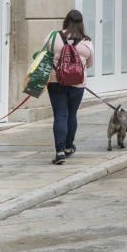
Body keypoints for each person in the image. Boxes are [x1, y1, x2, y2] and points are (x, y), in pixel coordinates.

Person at [48, 10, 94, 165]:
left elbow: (43, 56)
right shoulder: (87, 43)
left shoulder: (53, 37)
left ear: (66, 20)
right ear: (81, 23)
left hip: (56, 82)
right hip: (77, 84)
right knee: (72, 114)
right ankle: (69, 146)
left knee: (60, 115)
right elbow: (90, 64)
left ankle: (59, 152)